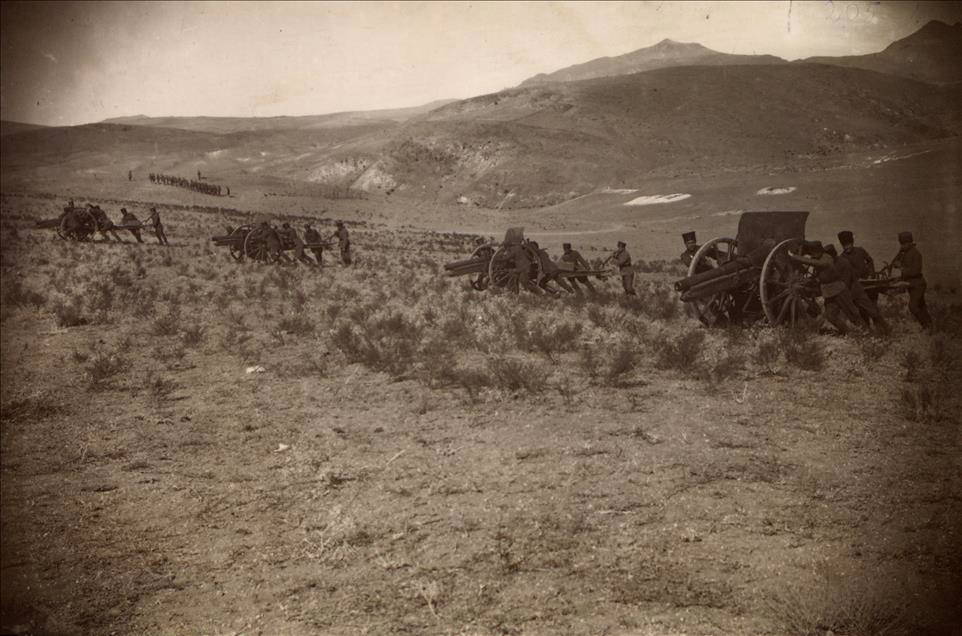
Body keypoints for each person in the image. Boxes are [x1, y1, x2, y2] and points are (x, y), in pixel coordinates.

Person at [789, 241, 861, 335]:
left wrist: (794, 257)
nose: (812, 256)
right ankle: (846, 333)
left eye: (813, 254)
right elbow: (819, 274)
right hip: (829, 292)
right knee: (830, 316)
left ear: (818, 252)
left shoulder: (826, 259)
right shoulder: (819, 257)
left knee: (853, 313)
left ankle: (865, 332)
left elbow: (815, 263)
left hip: (839, 291)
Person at [889, 231, 932, 330]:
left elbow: (916, 271)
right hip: (911, 284)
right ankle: (930, 326)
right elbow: (894, 263)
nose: (902, 246)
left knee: (913, 307)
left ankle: (926, 326)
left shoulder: (916, 254)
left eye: (903, 244)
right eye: (901, 244)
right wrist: (898, 255)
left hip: (918, 284)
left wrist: (901, 268)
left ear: (909, 243)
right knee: (921, 306)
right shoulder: (904, 253)